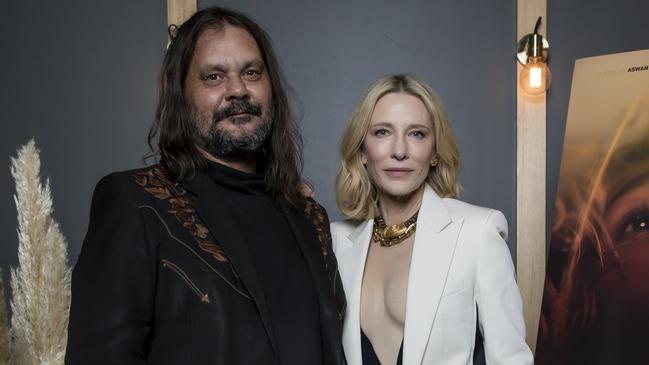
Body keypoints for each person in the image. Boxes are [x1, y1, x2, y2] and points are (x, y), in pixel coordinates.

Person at [65, 7, 345, 365]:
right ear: (179, 92)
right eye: (214, 76)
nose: (238, 90)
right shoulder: (137, 204)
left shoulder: (310, 217)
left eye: (251, 72)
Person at [331, 74, 533, 364]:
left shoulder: (477, 232)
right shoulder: (337, 242)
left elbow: (511, 359)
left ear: (435, 152)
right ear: (362, 150)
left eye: (416, 134)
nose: (399, 151)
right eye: (382, 132)